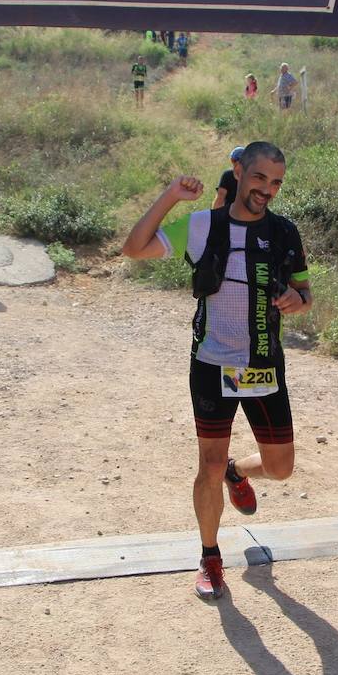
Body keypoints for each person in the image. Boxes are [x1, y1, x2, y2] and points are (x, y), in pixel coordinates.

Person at [121, 141, 312, 600]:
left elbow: (305, 294)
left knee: (281, 468)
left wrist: (296, 301)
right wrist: (171, 196)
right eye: (261, 177)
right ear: (240, 172)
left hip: (263, 366)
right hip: (211, 365)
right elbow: (134, 247)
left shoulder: (285, 232)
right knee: (205, 465)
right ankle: (209, 556)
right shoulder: (205, 225)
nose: (268, 189)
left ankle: (237, 471)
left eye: (277, 182)